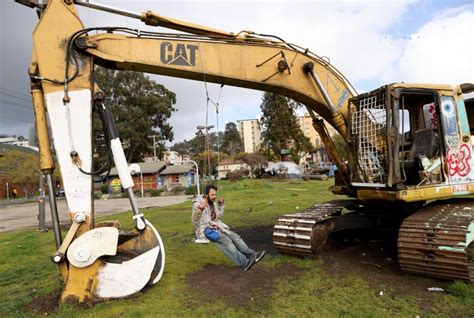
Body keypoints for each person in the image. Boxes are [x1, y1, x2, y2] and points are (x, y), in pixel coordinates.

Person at [192, 184, 265, 271]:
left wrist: (220, 205)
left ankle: (252, 255)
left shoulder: (213, 204)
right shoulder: (198, 204)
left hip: (216, 226)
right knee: (226, 241)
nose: (214, 196)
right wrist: (200, 209)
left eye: (215, 194)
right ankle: (244, 263)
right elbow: (194, 221)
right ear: (206, 195)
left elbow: (219, 215)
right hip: (205, 230)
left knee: (235, 237)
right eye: (212, 195)